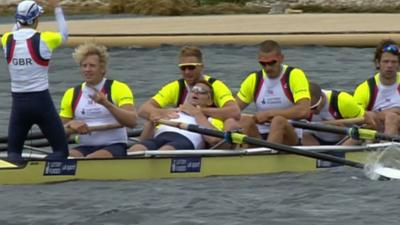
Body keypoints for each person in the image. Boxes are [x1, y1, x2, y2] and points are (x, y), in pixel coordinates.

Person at [1, 0, 69, 163]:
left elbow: (17, 28)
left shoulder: (6, 39)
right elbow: (65, 36)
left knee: (13, 154)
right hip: (41, 104)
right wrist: (57, 8)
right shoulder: (46, 38)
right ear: (35, 20)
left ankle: (21, 174)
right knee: (61, 151)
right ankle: (42, 167)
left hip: (19, 106)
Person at [59, 43, 137, 158]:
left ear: (102, 69)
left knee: (92, 158)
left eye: (92, 66)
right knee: (66, 157)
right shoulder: (72, 93)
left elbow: (132, 121)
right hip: (85, 147)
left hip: (114, 145)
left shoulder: (118, 88)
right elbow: (59, 133)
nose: (87, 69)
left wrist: (106, 104)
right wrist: (70, 125)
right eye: (84, 66)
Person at [138, 45, 240, 132]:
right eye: (183, 68)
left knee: (231, 122)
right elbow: (143, 110)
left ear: (201, 67)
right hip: (182, 132)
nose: (187, 72)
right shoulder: (175, 87)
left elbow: (234, 112)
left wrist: (198, 111)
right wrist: (163, 112)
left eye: (191, 67)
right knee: (150, 121)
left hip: (209, 134)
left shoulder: (216, 86)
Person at [236, 40, 311, 145]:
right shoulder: (253, 79)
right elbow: (233, 110)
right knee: (245, 120)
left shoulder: (294, 75)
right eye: (263, 64)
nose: (267, 68)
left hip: (289, 137)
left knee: (278, 121)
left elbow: (304, 111)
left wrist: (269, 114)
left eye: (272, 63)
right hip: (261, 135)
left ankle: (267, 156)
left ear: (281, 58)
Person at [129, 80, 221, 151]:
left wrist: (197, 113)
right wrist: (150, 123)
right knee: (136, 148)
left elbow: (214, 139)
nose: (196, 93)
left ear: (209, 101)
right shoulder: (172, 112)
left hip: (184, 141)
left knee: (165, 151)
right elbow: (144, 139)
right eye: (193, 90)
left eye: (201, 91)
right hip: (161, 137)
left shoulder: (211, 120)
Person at [353, 39, 400, 136]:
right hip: (375, 132)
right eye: (385, 62)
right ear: (378, 63)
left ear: (398, 64)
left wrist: (392, 112)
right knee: (371, 116)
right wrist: (379, 116)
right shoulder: (365, 89)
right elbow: (355, 117)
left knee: (392, 117)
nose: (390, 66)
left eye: (394, 62)